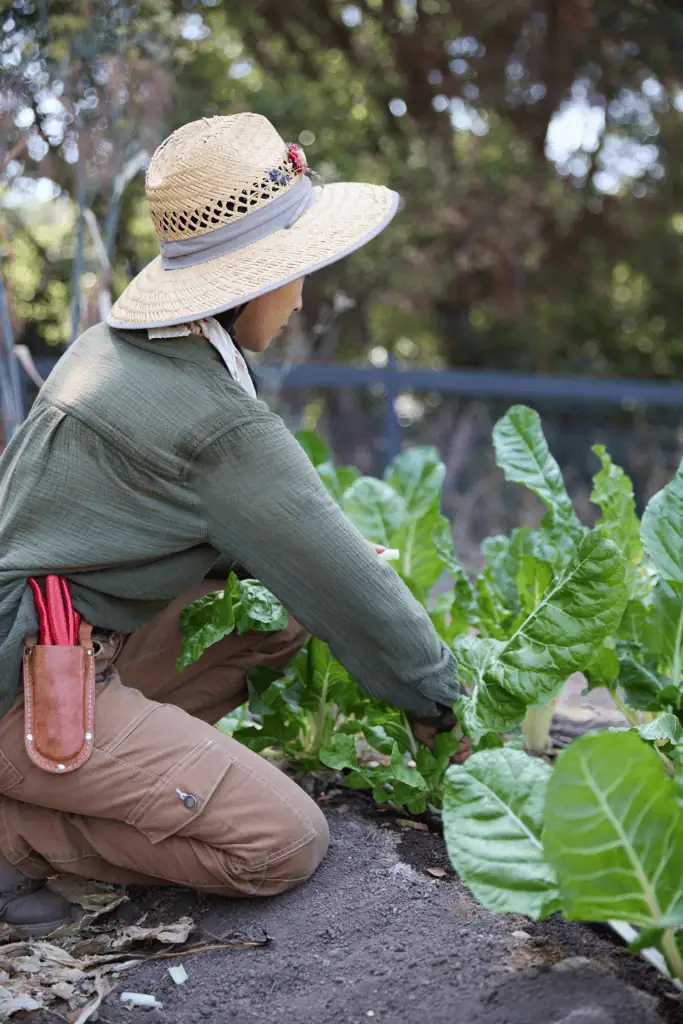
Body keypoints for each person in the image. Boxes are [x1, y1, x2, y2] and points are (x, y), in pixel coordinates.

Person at [0, 113, 461, 936]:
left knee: (278, 618)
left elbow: (291, 558)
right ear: (246, 281)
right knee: (279, 841)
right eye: (294, 272)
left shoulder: (110, 349)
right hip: (27, 688)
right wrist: (440, 708)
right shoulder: (214, 422)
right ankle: (18, 832)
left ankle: (85, 774)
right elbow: (355, 595)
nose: (301, 293)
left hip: (46, 641)